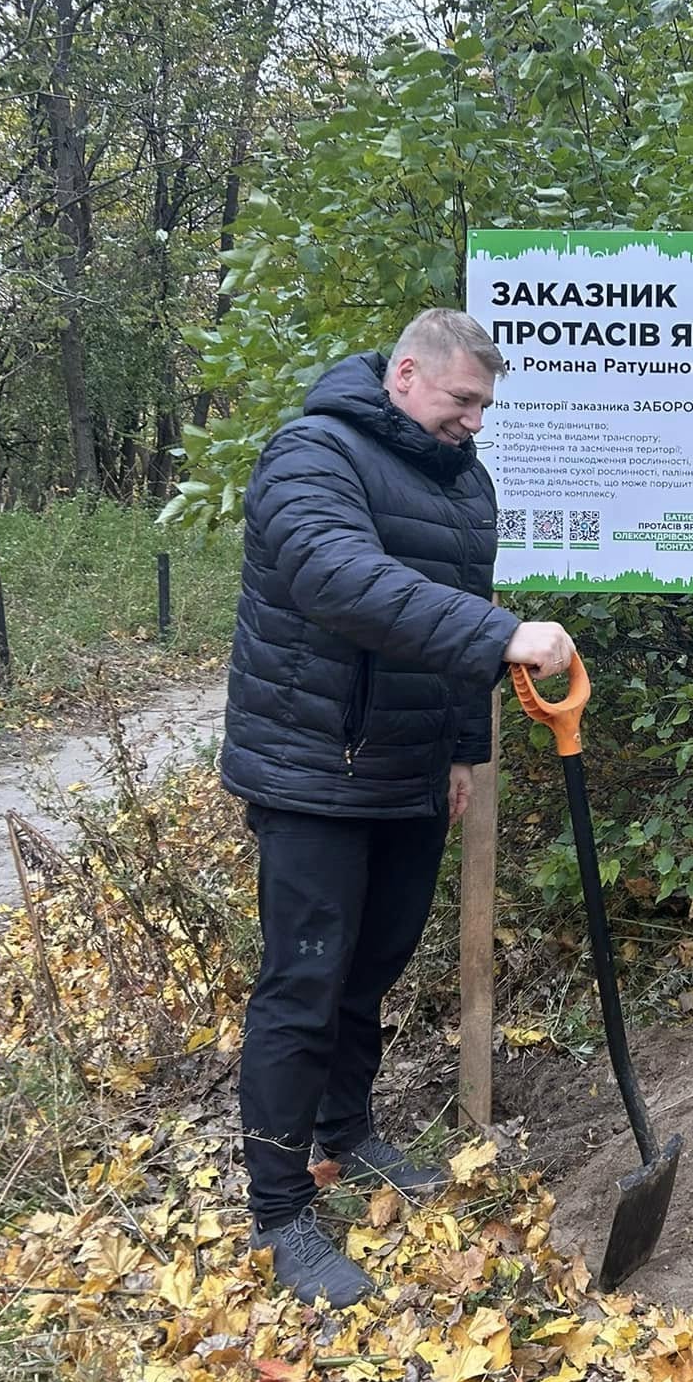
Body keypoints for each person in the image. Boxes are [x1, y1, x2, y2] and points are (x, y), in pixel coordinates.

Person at [221, 308, 573, 1306]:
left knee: (371, 965)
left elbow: (453, 616)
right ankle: (281, 1206)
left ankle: (346, 1130)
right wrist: (505, 632)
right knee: (304, 982)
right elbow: (341, 578)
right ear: (408, 374)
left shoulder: (462, 478)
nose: (475, 421)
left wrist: (464, 746)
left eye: (484, 407)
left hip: (411, 773)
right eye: (465, 401)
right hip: (315, 771)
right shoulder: (311, 453)